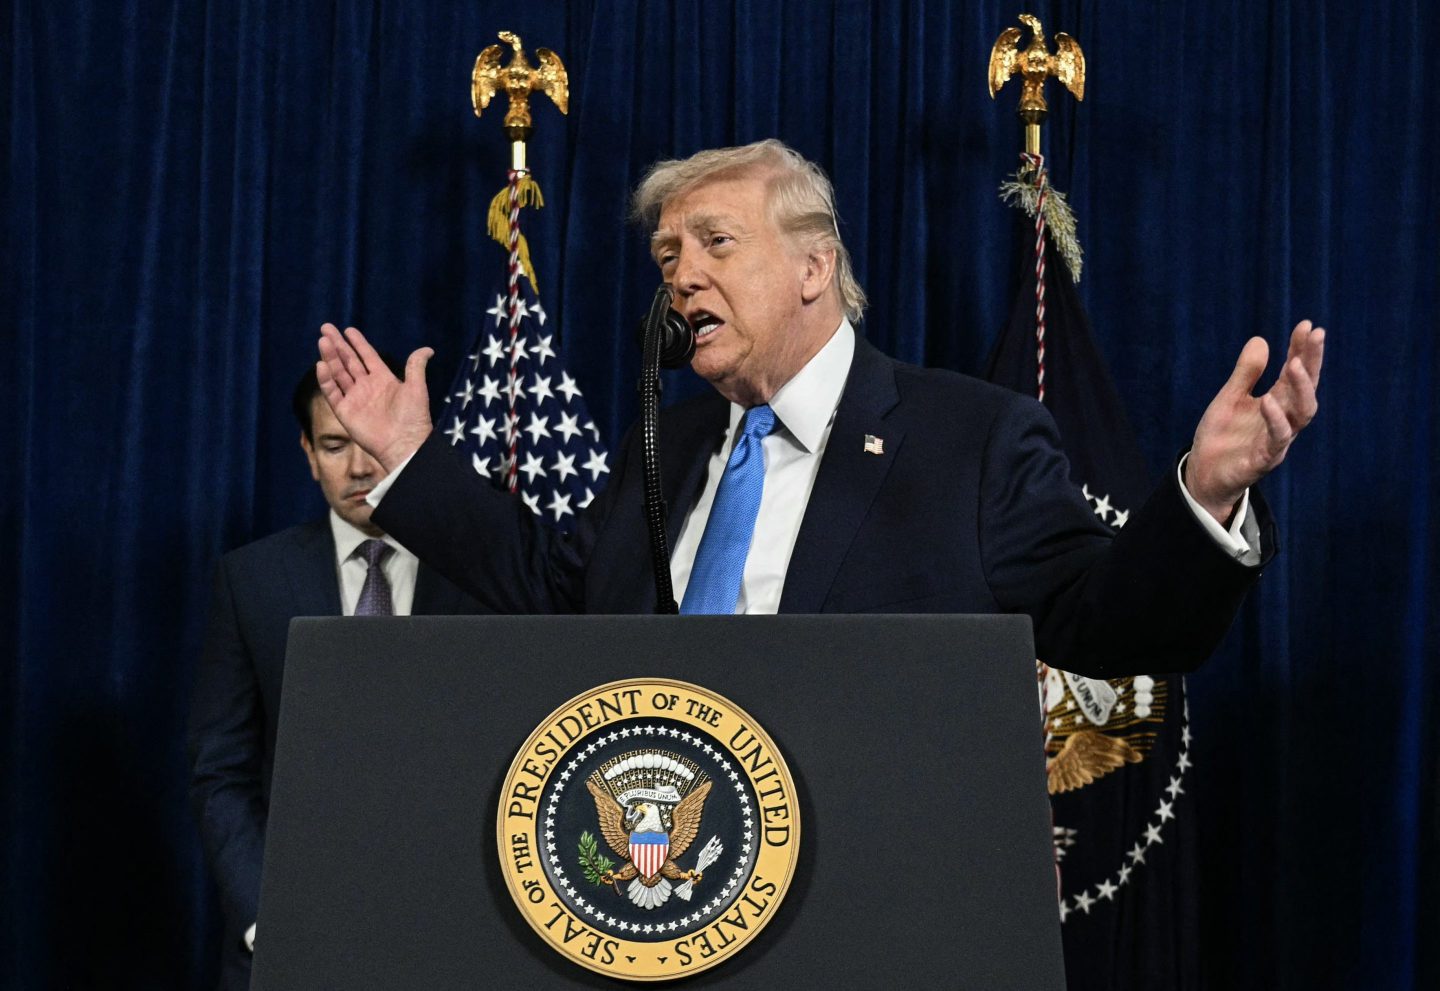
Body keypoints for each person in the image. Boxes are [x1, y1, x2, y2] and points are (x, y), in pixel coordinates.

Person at [312, 138, 1324, 675]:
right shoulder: (666, 448)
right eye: (667, 256)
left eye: (715, 243)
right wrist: (410, 462)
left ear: (814, 267)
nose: (682, 276)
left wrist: (1204, 498)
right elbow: (551, 589)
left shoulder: (971, 439)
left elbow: (1109, 625)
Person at [187, 362, 485, 991]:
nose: (359, 468)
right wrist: (265, 917)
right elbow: (222, 770)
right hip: (290, 939)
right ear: (307, 453)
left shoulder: (482, 572)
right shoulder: (252, 579)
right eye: (333, 445)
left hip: (452, 939)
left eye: (372, 442)